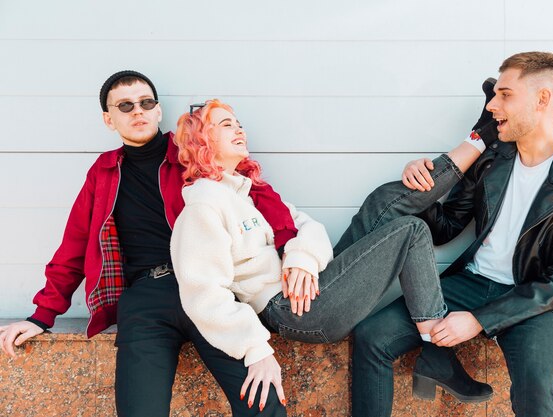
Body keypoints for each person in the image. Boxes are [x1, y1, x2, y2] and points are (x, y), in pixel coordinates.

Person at [169, 95, 497, 412]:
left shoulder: (253, 193)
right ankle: (436, 352)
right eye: (227, 125)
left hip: (311, 285)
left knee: (382, 202)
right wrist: (255, 349)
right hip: (294, 310)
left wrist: (301, 261)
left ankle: (479, 138)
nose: (240, 130)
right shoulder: (204, 206)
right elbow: (204, 293)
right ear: (203, 141)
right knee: (410, 230)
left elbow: (310, 228)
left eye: (238, 123)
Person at [0, 70, 287, 417]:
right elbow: (74, 246)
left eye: (146, 102)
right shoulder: (103, 172)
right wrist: (42, 315)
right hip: (145, 299)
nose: (138, 111)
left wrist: (293, 255)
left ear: (158, 111)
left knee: (262, 401)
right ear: (109, 119)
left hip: (209, 292)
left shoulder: (193, 152)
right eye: (125, 105)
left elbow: (259, 196)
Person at [346, 52, 553, 417]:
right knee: (371, 336)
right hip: (472, 282)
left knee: (536, 391)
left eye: (505, 95)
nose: (492, 105)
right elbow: (445, 228)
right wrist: (421, 186)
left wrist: (479, 320)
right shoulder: (493, 157)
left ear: (542, 99)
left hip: (534, 297)